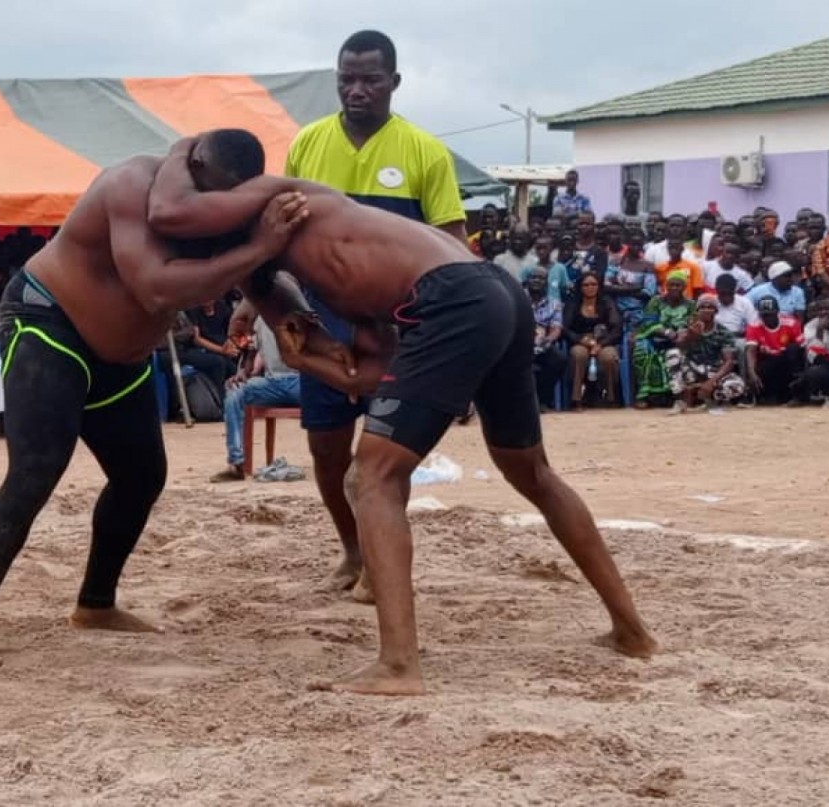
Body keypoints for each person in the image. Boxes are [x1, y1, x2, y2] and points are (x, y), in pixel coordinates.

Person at [145, 135, 655, 696]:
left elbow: (169, 210)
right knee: (528, 470)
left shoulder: (274, 197)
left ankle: (398, 666)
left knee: (372, 477)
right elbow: (370, 373)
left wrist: (179, 150)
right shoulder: (336, 274)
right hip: (493, 293)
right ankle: (632, 631)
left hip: (456, 296)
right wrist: (305, 358)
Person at [0, 129, 310, 667]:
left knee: (142, 476)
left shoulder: (227, 208)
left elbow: (259, 274)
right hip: (50, 324)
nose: (212, 208)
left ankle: (96, 603)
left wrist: (270, 304)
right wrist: (258, 247)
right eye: (206, 194)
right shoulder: (129, 185)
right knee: (34, 473)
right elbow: (156, 288)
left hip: (123, 357)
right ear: (191, 166)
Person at [279, 28, 468, 599]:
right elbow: (279, 237)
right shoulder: (307, 144)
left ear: (394, 83)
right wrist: (251, 301)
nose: (356, 90)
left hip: (399, 327)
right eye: (347, 79)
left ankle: (380, 569)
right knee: (326, 447)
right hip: (321, 317)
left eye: (370, 79)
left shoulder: (424, 151)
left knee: (382, 454)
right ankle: (353, 550)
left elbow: (453, 245)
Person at [210, 317, 301, 482]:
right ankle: (236, 463)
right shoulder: (260, 320)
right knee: (235, 393)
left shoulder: (300, 312)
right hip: (272, 382)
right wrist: (243, 373)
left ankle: (339, 460)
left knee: (333, 396)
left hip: (301, 381)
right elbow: (253, 356)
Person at [666, 297, 746, 414]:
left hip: (713, 370)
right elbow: (679, 345)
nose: (706, 310)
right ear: (697, 311)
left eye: (710, 307)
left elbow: (729, 362)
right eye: (702, 307)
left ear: (716, 311)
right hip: (691, 369)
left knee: (737, 385)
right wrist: (691, 335)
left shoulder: (723, 332)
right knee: (672, 354)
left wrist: (711, 382)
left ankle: (710, 401)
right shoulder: (687, 325)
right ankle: (680, 401)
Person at [631, 272, 695, 407]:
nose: (674, 288)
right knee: (642, 350)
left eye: (678, 285)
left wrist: (681, 335)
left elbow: (692, 323)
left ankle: (674, 395)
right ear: (666, 286)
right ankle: (644, 395)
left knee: (679, 351)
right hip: (655, 337)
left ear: (684, 287)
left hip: (681, 339)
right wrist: (666, 332)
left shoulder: (690, 304)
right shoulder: (656, 301)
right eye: (671, 285)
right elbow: (649, 322)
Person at [564, 273, 623, 407]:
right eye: (586, 285)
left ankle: (611, 398)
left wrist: (601, 344)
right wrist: (580, 339)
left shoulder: (607, 302)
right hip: (580, 341)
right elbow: (565, 328)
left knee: (609, 357)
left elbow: (617, 328)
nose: (590, 287)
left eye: (593, 284)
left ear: (598, 286)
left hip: (604, 341)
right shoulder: (573, 303)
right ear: (580, 287)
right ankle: (576, 399)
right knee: (578, 355)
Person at [744, 297, 804, 404]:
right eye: (764, 315)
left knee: (793, 349)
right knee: (761, 369)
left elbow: (802, 347)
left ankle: (794, 390)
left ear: (777, 312)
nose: (767, 318)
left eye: (770, 314)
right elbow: (751, 351)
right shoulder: (754, 325)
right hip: (767, 361)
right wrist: (751, 373)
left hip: (787, 361)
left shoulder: (791, 323)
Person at [526, 273, 567, 409]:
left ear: (546, 283)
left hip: (544, 342)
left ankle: (543, 400)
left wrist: (547, 340)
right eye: (534, 278)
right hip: (522, 342)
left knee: (559, 359)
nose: (536, 281)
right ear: (527, 281)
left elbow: (556, 328)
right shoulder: (519, 300)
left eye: (541, 278)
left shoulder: (554, 304)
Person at [604, 229, 658, 330]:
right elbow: (606, 286)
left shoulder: (647, 266)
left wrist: (619, 289)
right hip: (615, 309)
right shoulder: (617, 262)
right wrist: (633, 288)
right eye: (633, 244)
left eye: (639, 245)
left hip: (637, 311)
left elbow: (648, 293)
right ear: (627, 244)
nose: (636, 248)